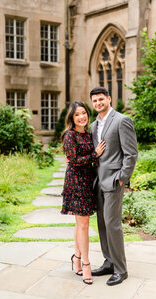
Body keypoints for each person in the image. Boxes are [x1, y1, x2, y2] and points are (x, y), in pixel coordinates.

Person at [90, 87, 138, 286]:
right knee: (102, 224)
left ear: (109, 99)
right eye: (94, 101)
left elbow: (131, 153)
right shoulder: (94, 125)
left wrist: (122, 178)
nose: (98, 103)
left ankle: (121, 269)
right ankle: (108, 262)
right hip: (98, 181)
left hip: (113, 181)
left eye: (101, 99)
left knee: (112, 224)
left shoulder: (121, 120)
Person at [61, 101, 106, 285]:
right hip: (75, 183)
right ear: (72, 118)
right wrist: (95, 154)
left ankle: (76, 259)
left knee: (81, 224)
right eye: (77, 114)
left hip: (88, 182)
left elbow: (87, 161)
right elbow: (74, 160)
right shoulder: (69, 135)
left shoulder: (89, 134)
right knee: (84, 224)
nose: (82, 117)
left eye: (84, 113)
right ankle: (86, 264)